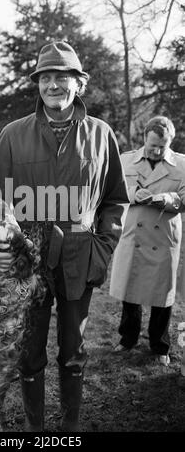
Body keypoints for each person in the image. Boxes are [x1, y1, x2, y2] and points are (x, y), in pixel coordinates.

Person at [0, 41, 129, 432]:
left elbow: (116, 200)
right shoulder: (14, 134)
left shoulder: (101, 135)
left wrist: (104, 245)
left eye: (63, 77)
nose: (53, 85)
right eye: (46, 78)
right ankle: (36, 432)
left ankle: (70, 430)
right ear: (38, 84)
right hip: (29, 256)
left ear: (80, 83)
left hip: (80, 254)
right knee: (30, 353)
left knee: (74, 350)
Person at [110, 116, 185, 367]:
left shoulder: (182, 165)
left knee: (162, 295)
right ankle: (127, 338)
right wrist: (132, 193)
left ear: (169, 142)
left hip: (163, 236)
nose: (156, 150)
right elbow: (111, 191)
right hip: (133, 233)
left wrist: (167, 198)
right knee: (130, 291)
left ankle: (160, 345)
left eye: (162, 146)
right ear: (144, 138)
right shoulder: (125, 160)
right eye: (153, 144)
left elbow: (184, 199)